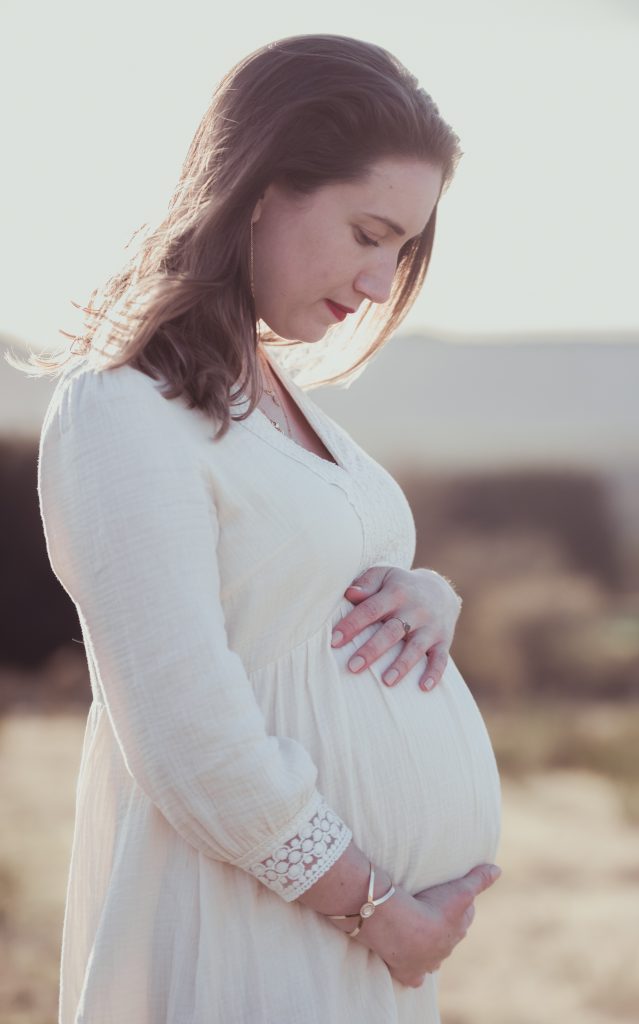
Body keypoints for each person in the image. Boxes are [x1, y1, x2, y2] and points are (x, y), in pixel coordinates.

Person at [30, 33, 501, 1023]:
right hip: (243, 927)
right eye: (369, 233)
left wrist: (428, 592)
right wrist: (377, 910)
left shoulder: (268, 390)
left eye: (402, 250)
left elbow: (310, 574)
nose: (382, 283)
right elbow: (190, 734)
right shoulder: (122, 408)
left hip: (339, 942)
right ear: (257, 188)